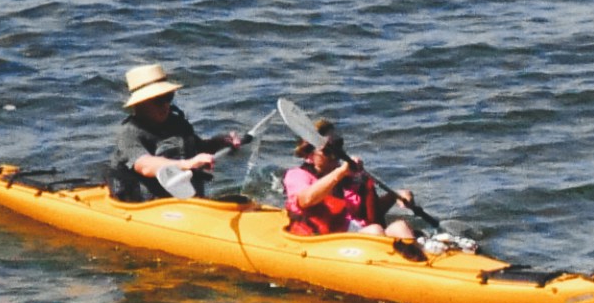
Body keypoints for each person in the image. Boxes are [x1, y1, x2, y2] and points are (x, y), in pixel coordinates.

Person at [107, 64, 247, 203]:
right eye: (158, 100)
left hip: (188, 203)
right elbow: (145, 165)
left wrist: (221, 142)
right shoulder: (129, 133)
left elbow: (199, 150)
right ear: (140, 104)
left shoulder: (178, 123)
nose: (165, 105)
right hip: (150, 207)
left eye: (168, 97)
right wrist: (187, 164)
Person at [280, 122, 422, 253]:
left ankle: (421, 266)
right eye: (328, 150)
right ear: (308, 155)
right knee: (375, 231)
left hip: (361, 234)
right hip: (325, 241)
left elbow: (370, 212)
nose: (336, 154)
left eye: (338, 144)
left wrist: (394, 196)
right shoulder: (297, 175)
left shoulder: (350, 177)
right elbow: (306, 200)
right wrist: (340, 173)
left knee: (400, 226)